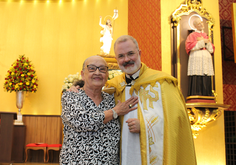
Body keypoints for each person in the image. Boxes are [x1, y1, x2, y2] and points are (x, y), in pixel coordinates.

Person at [105, 35, 197, 165]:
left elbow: (176, 121)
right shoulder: (114, 86)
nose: (126, 59)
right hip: (122, 154)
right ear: (116, 59)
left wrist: (145, 125)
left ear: (139, 53)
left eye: (130, 54)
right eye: (121, 56)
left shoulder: (162, 83)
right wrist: (75, 88)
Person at [60, 56, 138, 165]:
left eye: (102, 69)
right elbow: (84, 121)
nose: (97, 72)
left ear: (107, 76)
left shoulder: (112, 99)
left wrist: (141, 125)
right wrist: (114, 112)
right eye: (92, 68)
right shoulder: (71, 96)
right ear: (83, 74)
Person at [185, 17, 215, 96]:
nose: (201, 24)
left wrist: (205, 41)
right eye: (199, 23)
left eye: (201, 22)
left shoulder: (206, 35)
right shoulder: (191, 35)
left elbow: (211, 49)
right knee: (197, 76)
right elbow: (189, 47)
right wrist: (202, 42)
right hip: (196, 59)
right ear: (195, 26)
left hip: (206, 59)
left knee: (206, 76)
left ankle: (207, 95)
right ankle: (196, 94)